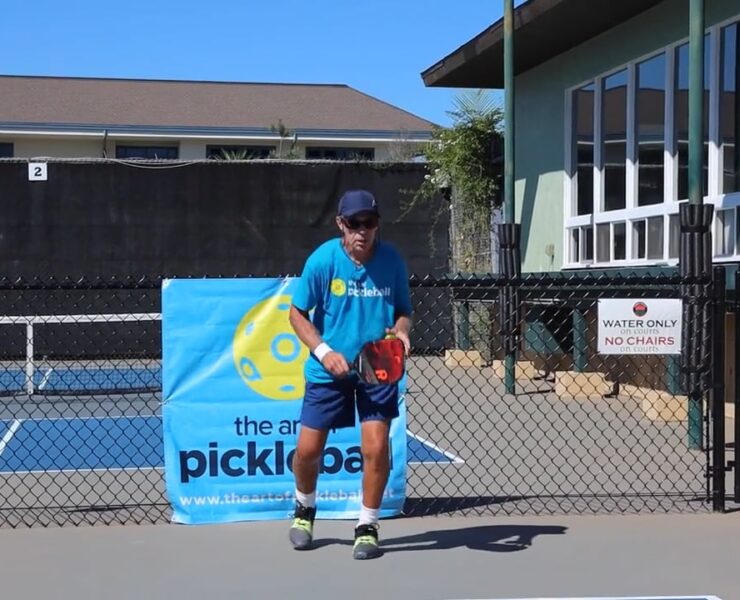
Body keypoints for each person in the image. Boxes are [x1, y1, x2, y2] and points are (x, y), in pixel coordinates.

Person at [288, 189, 412, 560]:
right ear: (341, 224)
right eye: (354, 223)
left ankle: (367, 525)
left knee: (375, 449)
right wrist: (325, 352)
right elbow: (297, 314)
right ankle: (305, 509)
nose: (362, 230)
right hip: (328, 370)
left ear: (377, 224)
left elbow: (403, 311)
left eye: (369, 222)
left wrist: (402, 331)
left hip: (378, 365)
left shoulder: (392, 261)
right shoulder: (322, 261)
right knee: (308, 453)